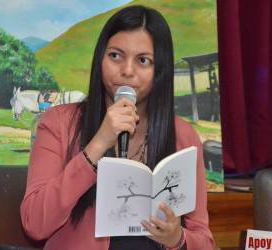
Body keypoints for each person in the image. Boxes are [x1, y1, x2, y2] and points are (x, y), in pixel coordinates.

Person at [20, 5, 215, 250]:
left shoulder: (183, 136)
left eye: (143, 60)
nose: (127, 71)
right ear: (100, 58)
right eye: (115, 55)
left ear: (159, 71)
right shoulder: (58, 123)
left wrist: (178, 239)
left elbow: (205, 241)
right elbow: (34, 224)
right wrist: (97, 145)